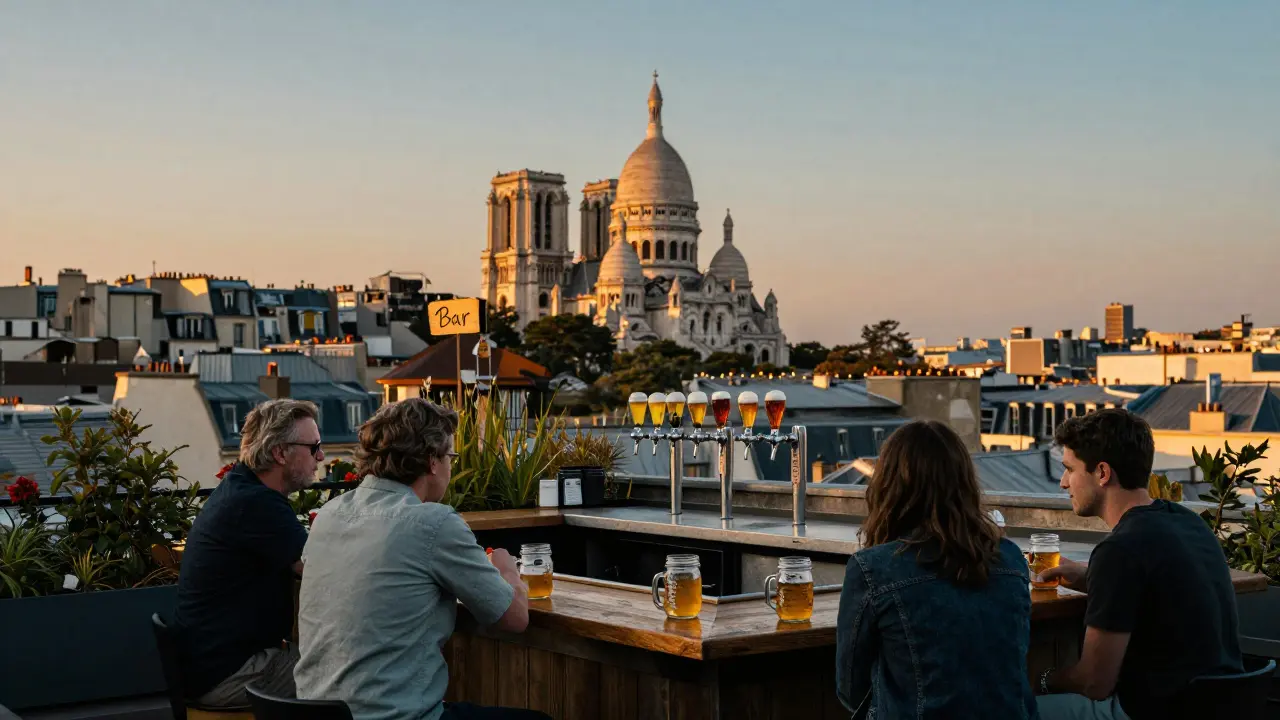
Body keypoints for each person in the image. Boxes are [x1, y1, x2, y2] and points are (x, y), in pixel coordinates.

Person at [295, 398, 549, 720]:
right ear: (432, 460)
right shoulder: (432, 522)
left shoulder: (330, 513)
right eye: (450, 458)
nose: (450, 467)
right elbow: (514, 619)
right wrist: (508, 571)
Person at [1036, 409, 1242, 720]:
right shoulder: (1187, 522)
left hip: (1155, 711)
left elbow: (1094, 682)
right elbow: (1158, 587)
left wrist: (1043, 678)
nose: (1064, 483)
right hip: (1221, 707)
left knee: (1008, 709)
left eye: (1069, 469)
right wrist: (1091, 579)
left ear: (1102, 473)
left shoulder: (1120, 550)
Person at [836, 420, 1037, 719]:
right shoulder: (1010, 557)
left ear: (888, 487)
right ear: (965, 484)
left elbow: (850, 690)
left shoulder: (872, 569)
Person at [174, 398, 320, 707]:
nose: (320, 456)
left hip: (209, 666)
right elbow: (322, 569)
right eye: (313, 447)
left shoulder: (240, 489)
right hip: (230, 675)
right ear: (280, 453)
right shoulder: (256, 504)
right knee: (348, 672)